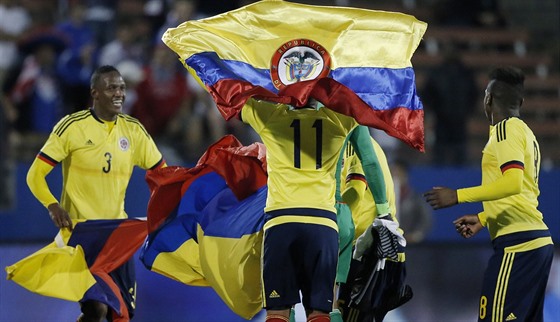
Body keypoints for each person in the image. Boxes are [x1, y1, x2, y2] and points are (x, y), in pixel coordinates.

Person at [26, 65, 166, 322]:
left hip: (117, 236)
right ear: (95, 93)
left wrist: (167, 204)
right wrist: (52, 205)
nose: (119, 94)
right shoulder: (72, 127)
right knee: (96, 308)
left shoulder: (133, 130)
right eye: (111, 87)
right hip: (83, 234)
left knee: (122, 314)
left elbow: (162, 174)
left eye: (122, 88)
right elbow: (34, 175)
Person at [240, 98, 390, 322]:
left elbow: (228, 91)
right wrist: (383, 211)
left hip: (281, 220)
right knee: (326, 308)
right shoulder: (342, 118)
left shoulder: (270, 116)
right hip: (330, 219)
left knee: (279, 310)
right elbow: (369, 162)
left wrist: (191, 61)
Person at [423, 66, 554, 322]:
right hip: (531, 243)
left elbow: (513, 183)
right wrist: (484, 218)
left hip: (518, 245)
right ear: (522, 102)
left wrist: (457, 195)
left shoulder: (506, 130)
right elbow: (523, 193)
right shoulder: (525, 132)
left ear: (488, 99)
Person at [336, 131, 412, 322]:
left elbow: (356, 191)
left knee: (352, 316)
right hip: (371, 247)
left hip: (367, 249)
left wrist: (329, 219)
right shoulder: (365, 144)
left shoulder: (354, 144)